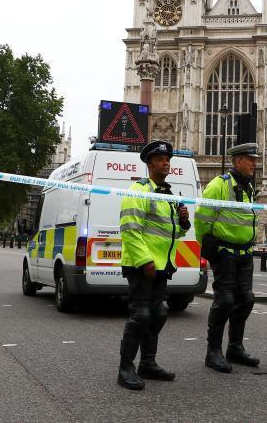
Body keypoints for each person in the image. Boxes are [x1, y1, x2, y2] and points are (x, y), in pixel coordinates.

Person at [116, 140, 191, 391]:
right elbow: (129, 229)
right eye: (160, 159)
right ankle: (126, 368)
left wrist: (183, 223)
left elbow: (172, 234)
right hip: (142, 264)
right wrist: (143, 259)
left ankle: (148, 363)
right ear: (149, 164)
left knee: (158, 313)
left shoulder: (168, 194)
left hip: (162, 265)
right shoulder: (138, 190)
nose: (166, 163)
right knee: (141, 315)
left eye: (168, 159)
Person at [195, 142, 261, 373]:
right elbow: (202, 218)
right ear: (237, 161)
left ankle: (235, 347)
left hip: (245, 253)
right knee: (225, 301)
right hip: (225, 253)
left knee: (247, 299)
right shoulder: (218, 185)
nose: (255, 163)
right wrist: (210, 246)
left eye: (255, 159)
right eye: (250, 159)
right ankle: (213, 352)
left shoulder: (248, 186)